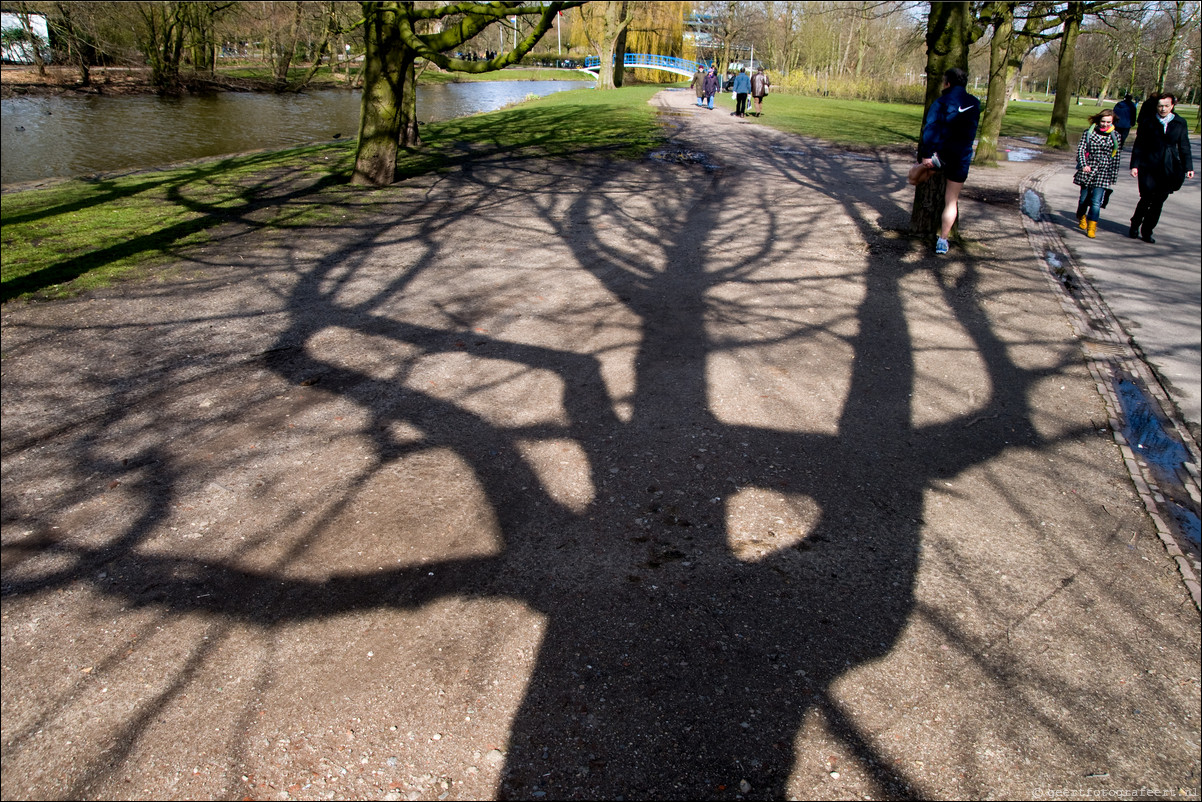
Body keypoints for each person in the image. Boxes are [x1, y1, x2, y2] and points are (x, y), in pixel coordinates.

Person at [915, 67, 981, 255]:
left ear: (948, 83)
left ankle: (917, 176)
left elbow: (931, 128)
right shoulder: (975, 103)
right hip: (961, 157)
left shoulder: (941, 102)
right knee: (951, 201)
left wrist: (926, 155)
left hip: (940, 155)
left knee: (914, 175)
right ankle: (943, 240)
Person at [1128, 92, 1195, 243]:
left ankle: (1147, 231)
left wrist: (1188, 167)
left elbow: (1184, 146)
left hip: (1169, 167)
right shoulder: (1147, 121)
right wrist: (1135, 165)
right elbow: (1139, 145)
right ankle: (1135, 224)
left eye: (1166, 106)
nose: (1163, 109)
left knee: (1158, 201)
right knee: (1146, 197)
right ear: (1156, 106)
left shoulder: (1180, 123)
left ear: (1172, 106)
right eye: (1160, 106)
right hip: (1148, 164)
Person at [1072, 109, 1121, 239]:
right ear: (1098, 121)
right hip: (1088, 169)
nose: (1105, 124)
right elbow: (1081, 150)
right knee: (1083, 199)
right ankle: (1081, 216)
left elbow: (1116, 157)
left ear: (1112, 122)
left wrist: (1113, 176)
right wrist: (1084, 165)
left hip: (1104, 171)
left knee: (1096, 202)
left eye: (1108, 122)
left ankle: (1092, 226)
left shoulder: (1116, 136)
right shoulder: (1088, 133)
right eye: (1103, 121)